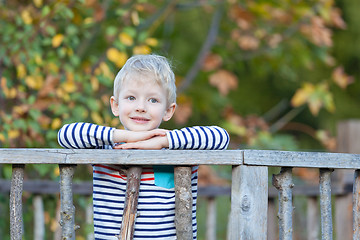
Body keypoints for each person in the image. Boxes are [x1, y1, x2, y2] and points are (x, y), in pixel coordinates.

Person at [57, 54, 229, 240]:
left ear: (168, 111)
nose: (141, 107)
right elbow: (66, 134)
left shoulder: (177, 148)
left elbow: (221, 137)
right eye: (131, 97)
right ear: (115, 105)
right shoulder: (106, 148)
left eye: (153, 100)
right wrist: (126, 136)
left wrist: (164, 141)